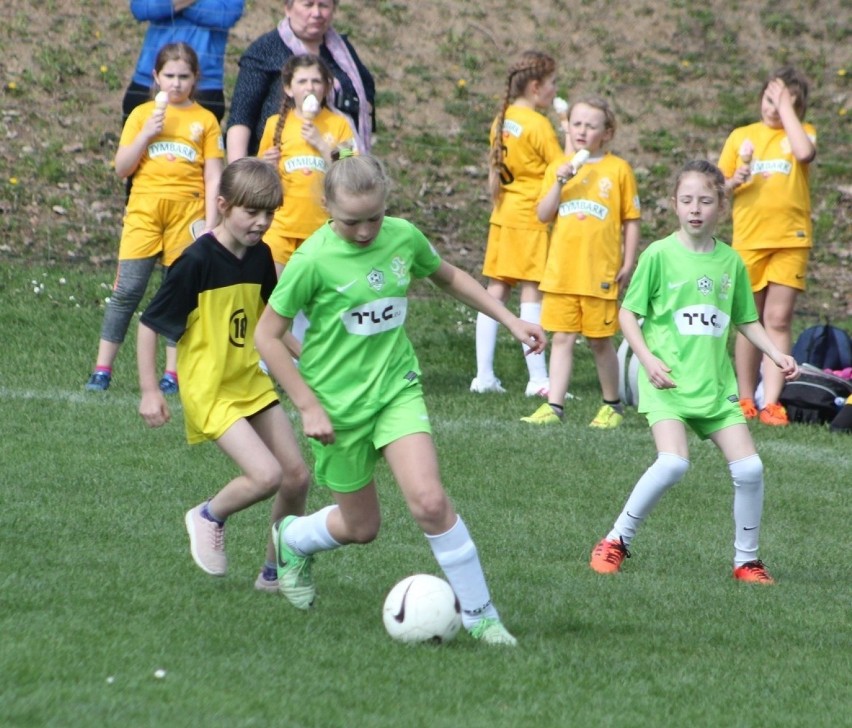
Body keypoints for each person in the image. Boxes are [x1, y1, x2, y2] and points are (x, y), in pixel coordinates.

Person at [254, 154, 547, 645]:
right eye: (352, 221)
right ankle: (293, 539)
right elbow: (268, 336)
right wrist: (307, 404)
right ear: (326, 207)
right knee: (361, 526)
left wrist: (510, 320)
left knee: (430, 501)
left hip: (397, 390)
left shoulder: (403, 236)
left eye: (374, 217)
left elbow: (449, 276)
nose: (366, 231)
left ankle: (481, 615)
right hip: (338, 410)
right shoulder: (312, 260)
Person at [588, 160, 799, 583]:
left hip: (715, 389)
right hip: (667, 384)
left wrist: (776, 354)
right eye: (687, 200)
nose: (695, 209)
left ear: (721, 204)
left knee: (750, 469)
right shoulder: (659, 255)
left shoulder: (731, 262)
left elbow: (746, 320)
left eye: (705, 200)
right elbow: (628, 314)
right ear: (674, 205)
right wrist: (647, 360)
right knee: (672, 464)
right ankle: (615, 541)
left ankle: (746, 561)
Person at [137, 157, 310, 591]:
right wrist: (149, 390)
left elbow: (271, 322)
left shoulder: (261, 256)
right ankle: (208, 515)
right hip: (210, 389)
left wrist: (306, 358)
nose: (262, 222)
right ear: (223, 205)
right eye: (251, 212)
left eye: (269, 213)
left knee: (296, 477)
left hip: (249, 380)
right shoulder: (195, 261)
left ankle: (275, 572)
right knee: (265, 476)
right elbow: (150, 325)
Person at [85, 42, 224, 393]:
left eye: (184, 77)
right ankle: (102, 369)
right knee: (128, 290)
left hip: (187, 214)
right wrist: (147, 133)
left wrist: (211, 223)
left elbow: (213, 175)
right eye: (169, 76)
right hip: (144, 212)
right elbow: (121, 168)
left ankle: (172, 373)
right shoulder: (141, 114)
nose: (176, 84)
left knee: (176, 291)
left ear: (195, 79)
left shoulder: (205, 120)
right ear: (156, 77)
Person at [522, 96, 640, 428]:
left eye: (591, 125)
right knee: (561, 338)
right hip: (561, 273)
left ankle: (611, 405)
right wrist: (560, 181)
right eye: (577, 124)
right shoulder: (558, 167)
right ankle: (554, 406)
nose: (582, 131)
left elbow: (631, 219)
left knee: (600, 341)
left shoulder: (618, 170)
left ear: (607, 132)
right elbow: (543, 215)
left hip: (599, 273)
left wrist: (628, 261)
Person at [718, 66, 817, 427]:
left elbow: (805, 153)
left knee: (778, 319)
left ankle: (771, 402)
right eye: (768, 99)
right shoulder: (741, 136)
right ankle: (746, 396)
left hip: (790, 240)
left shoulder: (801, 133)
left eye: (781, 102)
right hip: (749, 241)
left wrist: (787, 108)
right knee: (749, 320)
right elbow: (718, 187)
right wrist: (732, 181)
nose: (772, 108)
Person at [471, 50, 565, 398]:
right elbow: (561, 167)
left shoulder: (502, 118)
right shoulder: (539, 124)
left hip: (503, 214)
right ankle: (538, 378)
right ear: (537, 87)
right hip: (529, 217)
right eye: (553, 84)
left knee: (495, 292)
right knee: (531, 291)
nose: (555, 91)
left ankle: (483, 376)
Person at [226, 0, 375, 160]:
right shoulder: (266, 50)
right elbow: (242, 115)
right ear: (288, 8)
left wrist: (326, 149)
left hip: (333, 175)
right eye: (308, 5)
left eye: (323, 5)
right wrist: (239, 174)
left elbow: (350, 153)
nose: (316, 13)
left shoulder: (340, 124)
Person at [258, 53, 355, 275]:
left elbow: (351, 168)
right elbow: (260, 176)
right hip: (281, 228)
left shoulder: (339, 125)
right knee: (276, 293)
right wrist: (267, 164)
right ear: (289, 88)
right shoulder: (275, 124)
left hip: (321, 228)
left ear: (327, 87)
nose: (309, 87)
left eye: (316, 81)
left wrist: (322, 145)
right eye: (302, 81)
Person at [124, 1, 245, 125]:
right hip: (148, 80)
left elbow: (226, 15)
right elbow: (141, 8)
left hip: (205, 84)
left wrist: (171, 6)